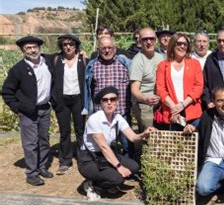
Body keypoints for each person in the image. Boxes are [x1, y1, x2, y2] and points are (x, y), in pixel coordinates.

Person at [78, 87, 153, 201]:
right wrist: (119, 167)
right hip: (89, 159)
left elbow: (133, 137)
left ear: (117, 101)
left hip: (105, 156)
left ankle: (107, 181)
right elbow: (103, 147)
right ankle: (92, 186)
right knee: (117, 178)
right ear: (101, 103)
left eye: (113, 99)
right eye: (105, 100)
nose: (109, 102)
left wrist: (144, 133)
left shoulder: (118, 118)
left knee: (134, 167)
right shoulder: (94, 119)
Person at [2, 36, 54, 186]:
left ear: (39, 48)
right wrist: (17, 108)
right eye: (28, 48)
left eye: (34, 47)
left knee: (44, 140)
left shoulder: (47, 62)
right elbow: (7, 91)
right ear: (23, 50)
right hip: (28, 111)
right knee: (30, 143)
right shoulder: (18, 69)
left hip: (44, 108)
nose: (32, 50)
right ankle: (31, 173)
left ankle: (42, 167)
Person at [83, 37, 134, 158]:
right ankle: (107, 169)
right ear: (98, 50)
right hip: (101, 114)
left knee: (127, 143)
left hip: (121, 111)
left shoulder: (125, 64)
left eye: (109, 47)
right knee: (103, 145)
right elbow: (88, 89)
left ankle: (130, 167)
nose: (107, 50)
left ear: (115, 49)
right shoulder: (92, 66)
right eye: (103, 48)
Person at [51, 34, 88, 175]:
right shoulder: (55, 60)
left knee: (80, 130)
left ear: (76, 46)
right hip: (62, 101)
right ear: (61, 46)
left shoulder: (83, 60)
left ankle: (83, 158)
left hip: (78, 99)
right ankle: (65, 161)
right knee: (64, 131)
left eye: (71, 44)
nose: (68, 47)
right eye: (65, 44)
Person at [155, 33, 203, 132]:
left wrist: (182, 105)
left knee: (193, 145)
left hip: (191, 112)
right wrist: (174, 108)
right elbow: (160, 89)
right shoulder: (163, 65)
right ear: (172, 45)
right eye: (179, 43)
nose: (182, 46)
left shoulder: (195, 64)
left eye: (185, 44)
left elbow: (198, 87)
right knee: (175, 146)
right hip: (172, 114)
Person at [129, 28, 165, 133]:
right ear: (139, 41)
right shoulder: (138, 61)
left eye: (152, 39)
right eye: (145, 39)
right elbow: (134, 89)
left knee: (161, 133)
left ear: (156, 40)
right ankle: (141, 149)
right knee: (150, 134)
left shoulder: (161, 58)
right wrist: (146, 99)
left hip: (160, 102)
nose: (149, 42)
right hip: (144, 104)